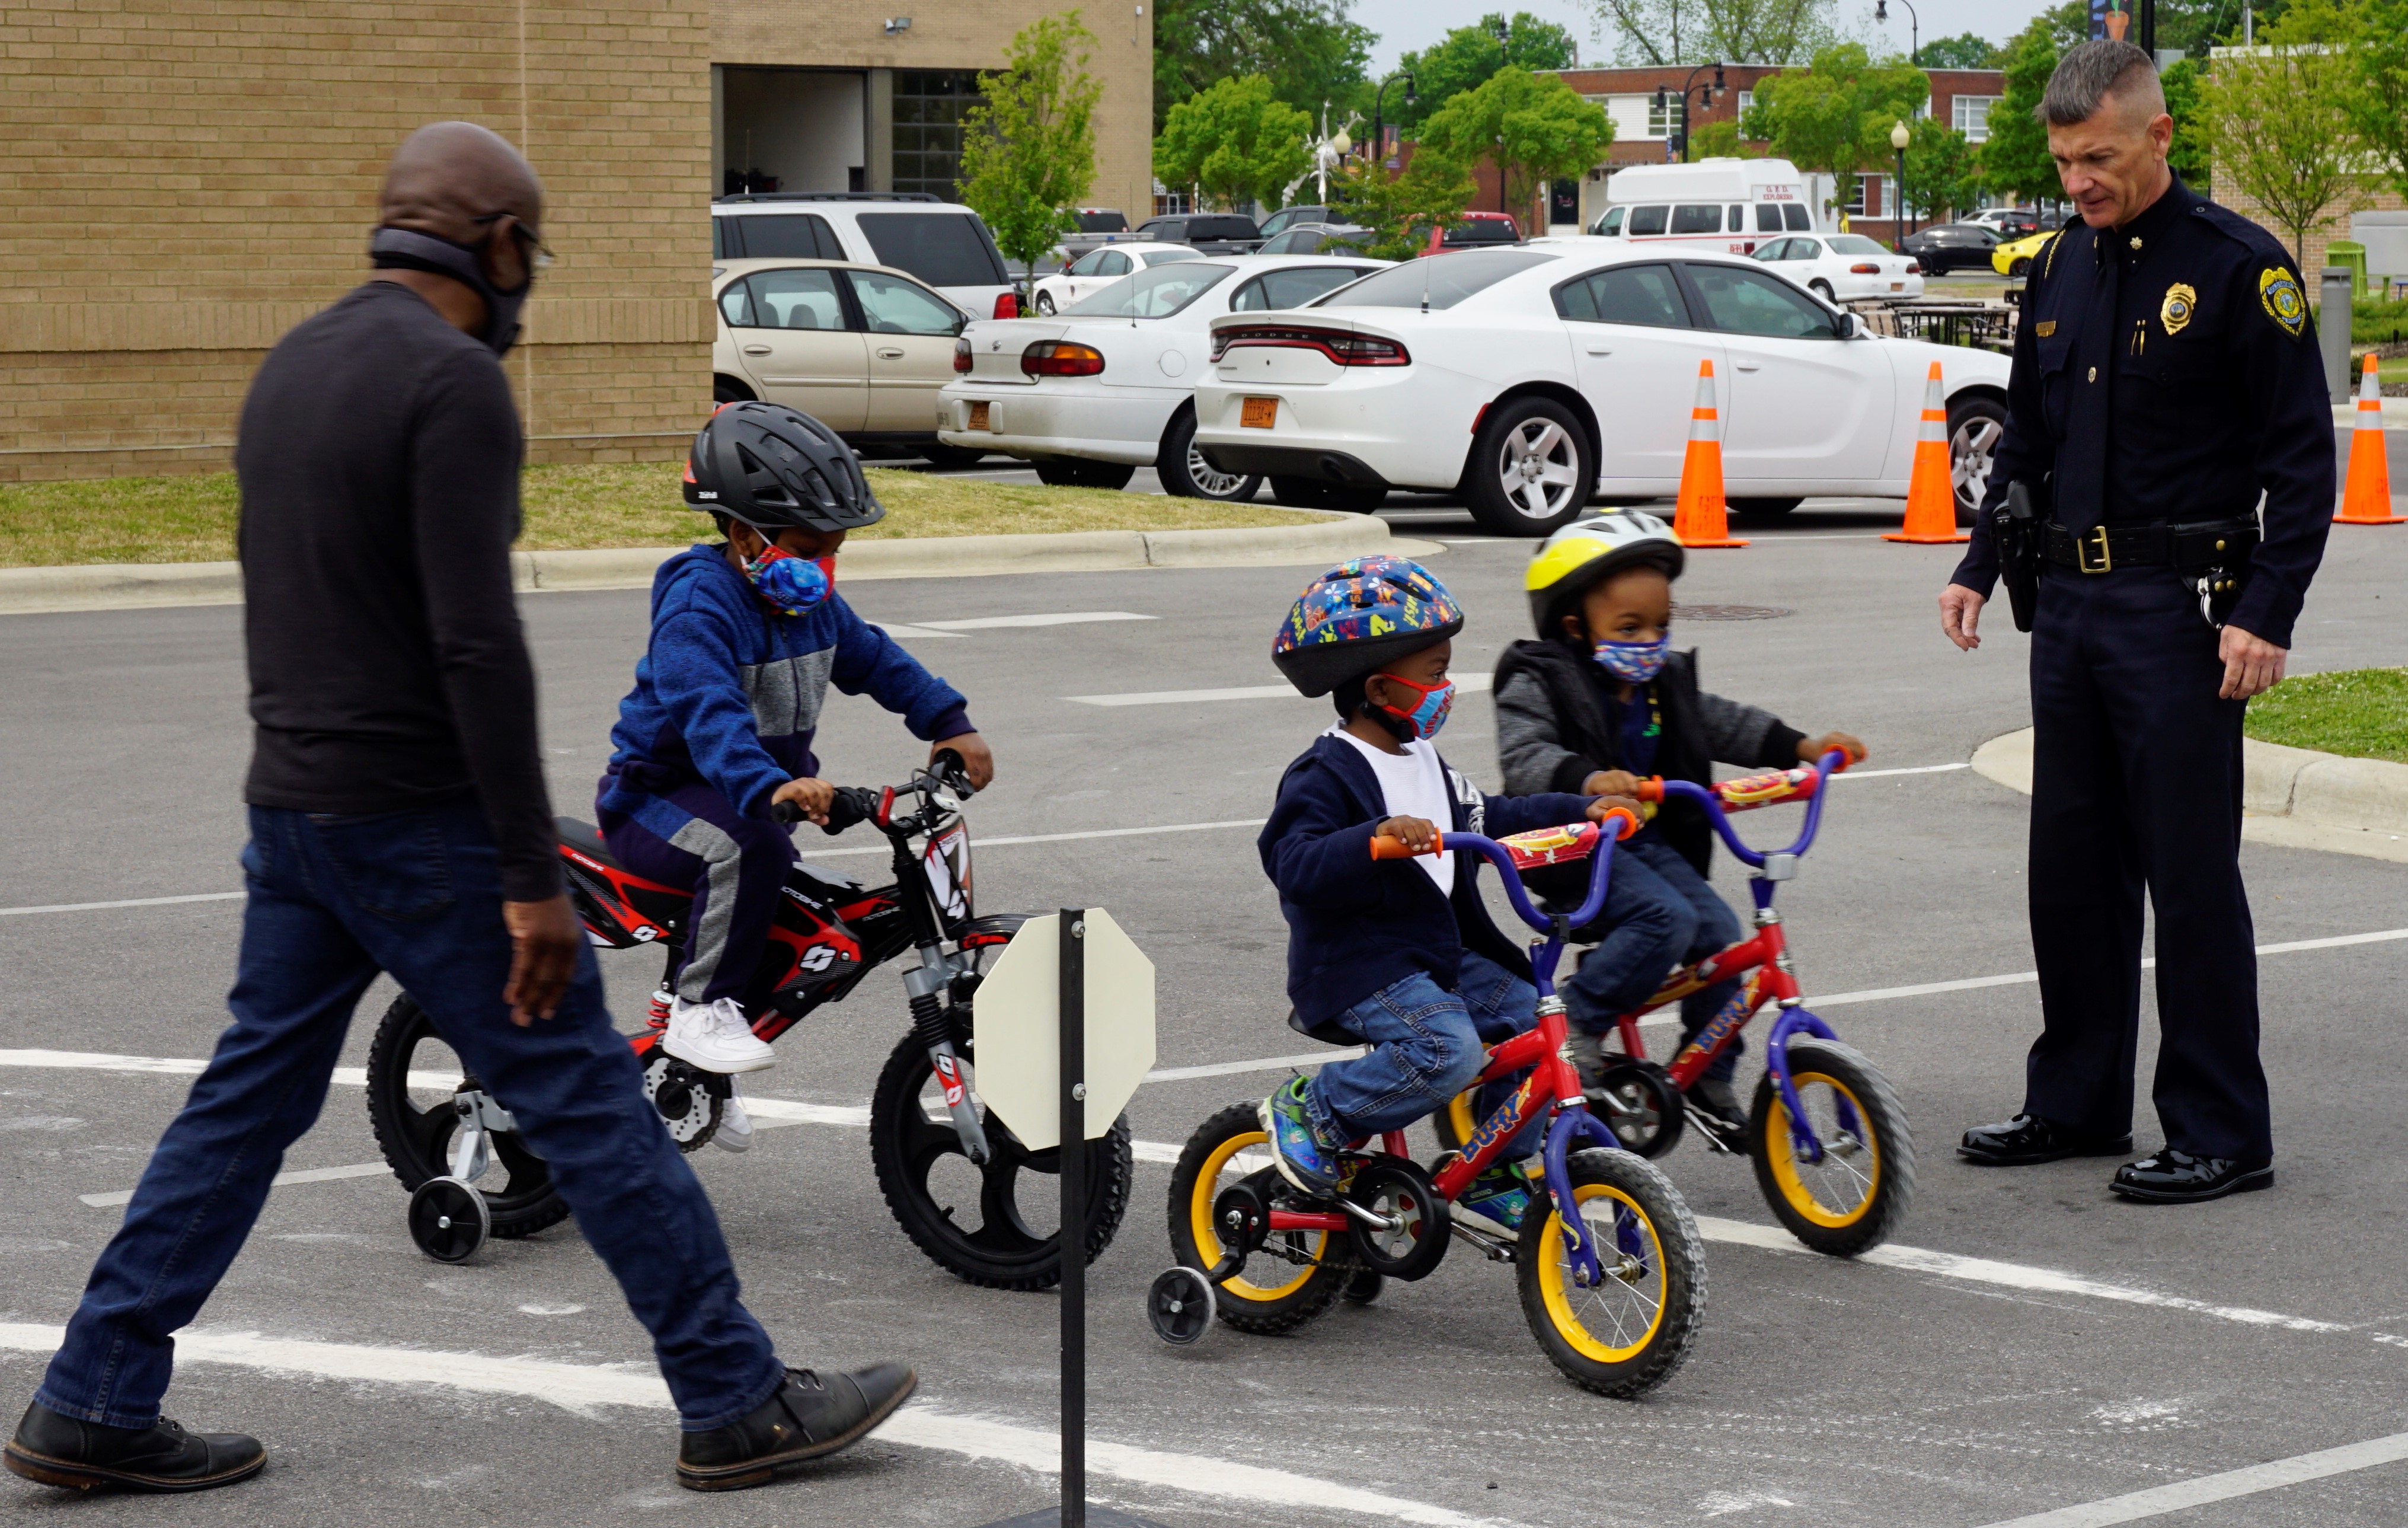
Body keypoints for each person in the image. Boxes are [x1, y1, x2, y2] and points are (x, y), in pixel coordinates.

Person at [4, 123, 912, 1498]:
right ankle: (734, 1397)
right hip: (416, 821)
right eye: (529, 258)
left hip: (295, 806)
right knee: (590, 1100)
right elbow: (474, 643)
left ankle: (92, 1393)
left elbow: (277, 597)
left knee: (244, 1106)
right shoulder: (453, 387)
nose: (526, 289)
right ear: (494, 245)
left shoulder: (292, 368)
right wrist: (529, 877)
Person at [1938, 43, 2333, 1204]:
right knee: (2070, 868)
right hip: (2068, 608)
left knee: (2190, 871)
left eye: (2098, 158)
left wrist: (2267, 610)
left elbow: (2302, 464)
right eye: (2066, 162)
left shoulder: (2237, 270)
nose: (2079, 181)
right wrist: (1976, 562)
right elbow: (2028, 441)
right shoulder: (2059, 267)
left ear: (2157, 137)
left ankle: (2221, 1126)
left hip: (2181, 612)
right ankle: (2075, 1099)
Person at [595, 401, 991, 1146]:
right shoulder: (698, 606)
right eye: (809, 550)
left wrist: (948, 720)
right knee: (752, 851)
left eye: (834, 552)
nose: (823, 568)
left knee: (787, 905)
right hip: (659, 800)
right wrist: (767, 784)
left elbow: (876, 659)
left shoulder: (808, 604)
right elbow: (710, 713)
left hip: (751, 801)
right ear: (745, 535)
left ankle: (695, 1073)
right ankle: (697, 1016)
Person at [1254, 557, 1633, 1238]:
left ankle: (1492, 1169)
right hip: (1362, 965)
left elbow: (1493, 814)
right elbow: (1292, 861)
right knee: (1448, 1051)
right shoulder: (1325, 773)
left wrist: (1586, 811)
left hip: (1437, 953)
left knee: (1538, 1029)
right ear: (1378, 688)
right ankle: (1316, 1110)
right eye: (1434, 675)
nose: (1446, 689)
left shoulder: (1426, 762)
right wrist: (1373, 838)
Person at [1495, 513, 1865, 1145]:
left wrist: (1801, 745)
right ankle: (1579, 1019)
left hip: (1645, 842)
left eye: (1661, 626)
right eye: (1629, 628)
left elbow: (1721, 722)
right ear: (1575, 627)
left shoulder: (1662, 685)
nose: (1649, 641)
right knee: (1667, 919)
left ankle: (1706, 1074)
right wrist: (1588, 779)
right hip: (1574, 847)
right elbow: (1524, 758)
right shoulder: (1540, 680)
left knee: (1719, 934)